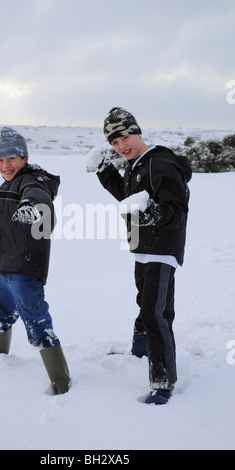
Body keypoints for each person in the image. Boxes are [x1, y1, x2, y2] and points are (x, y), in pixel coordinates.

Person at [96, 107, 192, 404]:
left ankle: (163, 382)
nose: (121, 146)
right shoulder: (136, 163)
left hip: (162, 250)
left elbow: (176, 210)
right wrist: (105, 171)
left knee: (156, 313)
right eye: (114, 143)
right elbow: (129, 196)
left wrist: (153, 214)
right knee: (147, 304)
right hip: (143, 248)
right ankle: (141, 351)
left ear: (137, 131)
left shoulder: (160, 164)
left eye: (125, 137)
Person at [0, 127, 70, 395]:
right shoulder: (4, 188)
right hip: (3, 270)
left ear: (24, 158)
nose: (5, 165)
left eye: (12, 158)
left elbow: (39, 197)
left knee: (37, 323)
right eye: (0, 160)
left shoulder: (31, 181)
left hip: (25, 269)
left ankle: (61, 382)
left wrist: (31, 207)